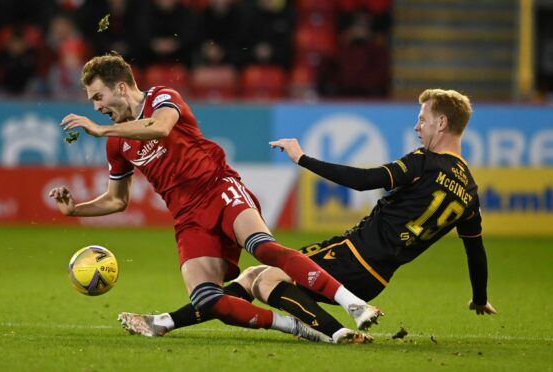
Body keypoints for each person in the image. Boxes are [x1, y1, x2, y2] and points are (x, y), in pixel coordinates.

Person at [48, 52, 380, 344]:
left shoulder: (162, 97)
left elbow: (160, 128)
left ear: (120, 87)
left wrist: (101, 128)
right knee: (207, 299)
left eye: (98, 97)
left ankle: (354, 304)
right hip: (187, 217)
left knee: (265, 249)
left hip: (219, 189)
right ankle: (292, 325)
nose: (96, 107)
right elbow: (116, 200)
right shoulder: (117, 143)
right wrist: (75, 209)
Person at [118, 88, 497, 342]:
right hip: (378, 276)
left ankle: (334, 333)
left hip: (353, 255)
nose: (418, 126)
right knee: (253, 275)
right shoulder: (470, 194)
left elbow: (366, 180)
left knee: (263, 277)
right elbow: (476, 252)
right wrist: (479, 297)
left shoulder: (424, 162)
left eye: (424, 119)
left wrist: (303, 159)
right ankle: (167, 320)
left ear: (442, 124)